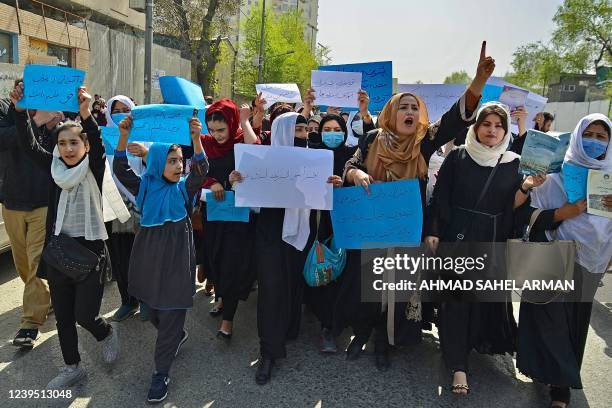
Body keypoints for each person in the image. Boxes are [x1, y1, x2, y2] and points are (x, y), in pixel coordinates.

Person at [336, 41, 496, 372]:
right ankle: (361, 331)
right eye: (403, 107)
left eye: (414, 107)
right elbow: (350, 164)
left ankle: (383, 340)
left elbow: (454, 119)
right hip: (370, 226)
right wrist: (356, 173)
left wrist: (478, 81)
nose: (410, 112)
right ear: (391, 113)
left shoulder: (424, 144)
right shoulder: (370, 140)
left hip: (406, 230)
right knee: (365, 282)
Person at [425, 102, 546, 395]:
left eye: (498, 126)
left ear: (505, 131)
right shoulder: (458, 156)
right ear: (476, 127)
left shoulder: (515, 163)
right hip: (457, 235)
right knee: (455, 302)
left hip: (493, 239)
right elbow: (441, 197)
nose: (492, 131)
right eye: (486, 124)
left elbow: (513, 210)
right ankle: (457, 366)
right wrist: (433, 231)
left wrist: (526, 188)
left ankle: (471, 346)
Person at [10, 83, 120, 389]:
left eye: (74, 142)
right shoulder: (54, 168)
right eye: (63, 143)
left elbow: (97, 143)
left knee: (85, 315)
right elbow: (29, 145)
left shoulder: (93, 169)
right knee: (64, 319)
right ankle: (73, 367)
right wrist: (19, 113)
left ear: (84, 145)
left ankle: (107, 332)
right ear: (57, 147)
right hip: (59, 251)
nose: (68, 149)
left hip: (90, 252)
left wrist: (86, 114)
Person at [516, 113, 612, 408]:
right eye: (589, 134)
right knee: (550, 317)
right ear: (577, 136)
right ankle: (558, 383)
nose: (594, 141)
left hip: (593, 259)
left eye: (601, 136)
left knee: (573, 322)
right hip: (554, 254)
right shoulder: (554, 177)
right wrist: (561, 214)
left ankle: (561, 381)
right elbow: (526, 216)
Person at [113, 114, 208, 403]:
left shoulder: (183, 189)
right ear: (156, 163)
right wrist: (124, 136)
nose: (179, 166)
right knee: (151, 312)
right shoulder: (144, 187)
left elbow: (201, 169)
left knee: (169, 314)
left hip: (177, 262)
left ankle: (161, 372)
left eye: (180, 160)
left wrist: (195, 139)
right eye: (171, 161)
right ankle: (176, 334)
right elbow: (119, 166)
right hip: (148, 259)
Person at [1, 85, 61, 349]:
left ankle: (29, 324)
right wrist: (34, 119)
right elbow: (5, 140)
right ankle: (43, 299)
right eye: (21, 86)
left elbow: (65, 148)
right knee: (22, 263)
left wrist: (52, 126)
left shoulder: (56, 110)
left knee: (35, 261)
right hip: (12, 200)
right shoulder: (5, 108)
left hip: (43, 201)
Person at [198, 99, 259, 339]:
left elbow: (256, 155)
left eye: (221, 130)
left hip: (239, 218)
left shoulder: (242, 141)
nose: (216, 135)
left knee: (233, 264)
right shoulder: (205, 143)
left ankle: (228, 320)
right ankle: (221, 297)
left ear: (232, 123)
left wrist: (245, 121)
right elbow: (195, 171)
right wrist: (211, 182)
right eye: (211, 130)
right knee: (217, 259)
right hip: (213, 215)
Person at [103, 95, 148, 322]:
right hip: (114, 208)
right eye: (116, 110)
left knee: (142, 257)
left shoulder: (146, 138)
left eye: (125, 109)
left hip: (140, 207)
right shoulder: (103, 138)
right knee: (121, 258)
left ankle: (147, 300)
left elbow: (157, 168)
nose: (120, 113)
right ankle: (127, 301)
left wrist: (147, 155)